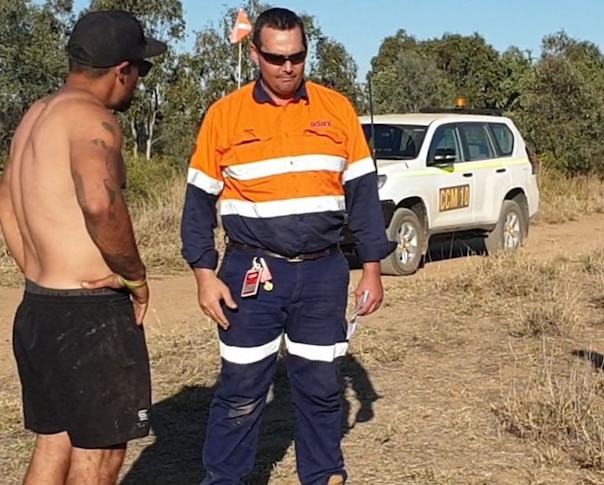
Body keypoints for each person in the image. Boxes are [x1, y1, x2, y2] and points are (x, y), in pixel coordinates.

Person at [179, 7, 395, 485]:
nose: (287, 68)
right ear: (255, 53)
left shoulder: (336, 109)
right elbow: (198, 204)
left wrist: (373, 268)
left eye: (297, 56)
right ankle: (225, 478)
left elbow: (362, 196)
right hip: (250, 274)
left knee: (320, 386)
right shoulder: (225, 115)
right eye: (276, 58)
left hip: (322, 274)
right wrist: (203, 274)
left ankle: (323, 473)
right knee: (240, 388)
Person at [0, 9, 166, 485]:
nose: (138, 83)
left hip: (40, 306)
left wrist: (35, 264)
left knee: (55, 441)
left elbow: (7, 198)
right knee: (100, 456)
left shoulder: (37, 114)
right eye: (140, 71)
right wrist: (134, 276)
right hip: (88, 313)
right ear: (122, 70)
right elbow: (99, 203)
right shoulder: (94, 120)